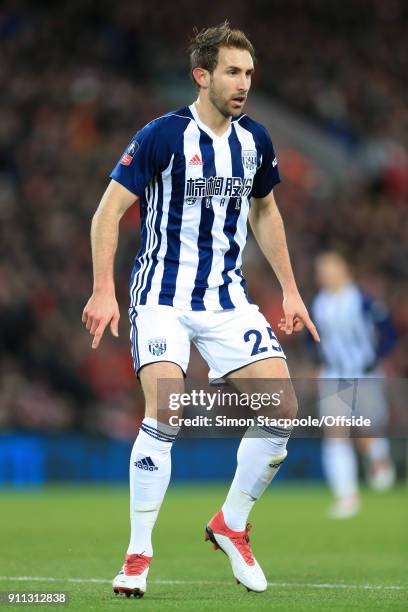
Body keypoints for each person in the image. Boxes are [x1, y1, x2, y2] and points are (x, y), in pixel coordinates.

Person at [82, 22, 319, 597]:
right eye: (233, 73)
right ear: (202, 75)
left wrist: (289, 289)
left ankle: (231, 525)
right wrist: (103, 290)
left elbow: (265, 212)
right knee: (166, 412)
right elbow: (107, 213)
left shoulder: (255, 140)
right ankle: (137, 556)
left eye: (249, 74)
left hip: (225, 298)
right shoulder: (161, 136)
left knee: (282, 411)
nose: (243, 84)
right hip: (162, 297)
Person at [312, 252, 396, 519]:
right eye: (321, 270)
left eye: (329, 268)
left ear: (345, 270)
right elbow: (312, 339)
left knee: (365, 432)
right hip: (335, 376)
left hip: (365, 373)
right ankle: (346, 496)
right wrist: (319, 363)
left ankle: (379, 459)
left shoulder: (362, 299)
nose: (325, 274)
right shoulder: (318, 303)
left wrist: (379, 358)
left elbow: (387, 331)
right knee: (335, 434)